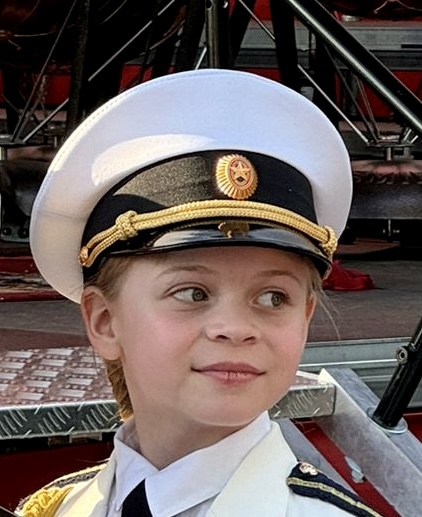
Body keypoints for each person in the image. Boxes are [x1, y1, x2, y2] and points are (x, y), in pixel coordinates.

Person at [18, 69, 381, 517]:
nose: (236, 329)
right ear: (105, 322)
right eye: (192, 293)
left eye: (273, 298)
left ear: (305, 319)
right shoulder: (59, 508)